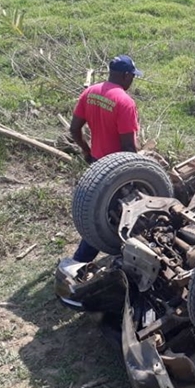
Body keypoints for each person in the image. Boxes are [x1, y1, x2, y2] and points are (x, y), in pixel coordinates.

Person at [68, 55, 142, 264]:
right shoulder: (125, 102)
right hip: (118, 171)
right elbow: (128, 147)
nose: (132, 80)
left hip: (97, 163)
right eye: (132, 76)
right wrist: (136, 177)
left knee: (98, 210)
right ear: (126, 75)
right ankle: (81, 263)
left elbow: (74, 129)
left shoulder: (90, 93)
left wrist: (86, 151)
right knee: (110, 216)